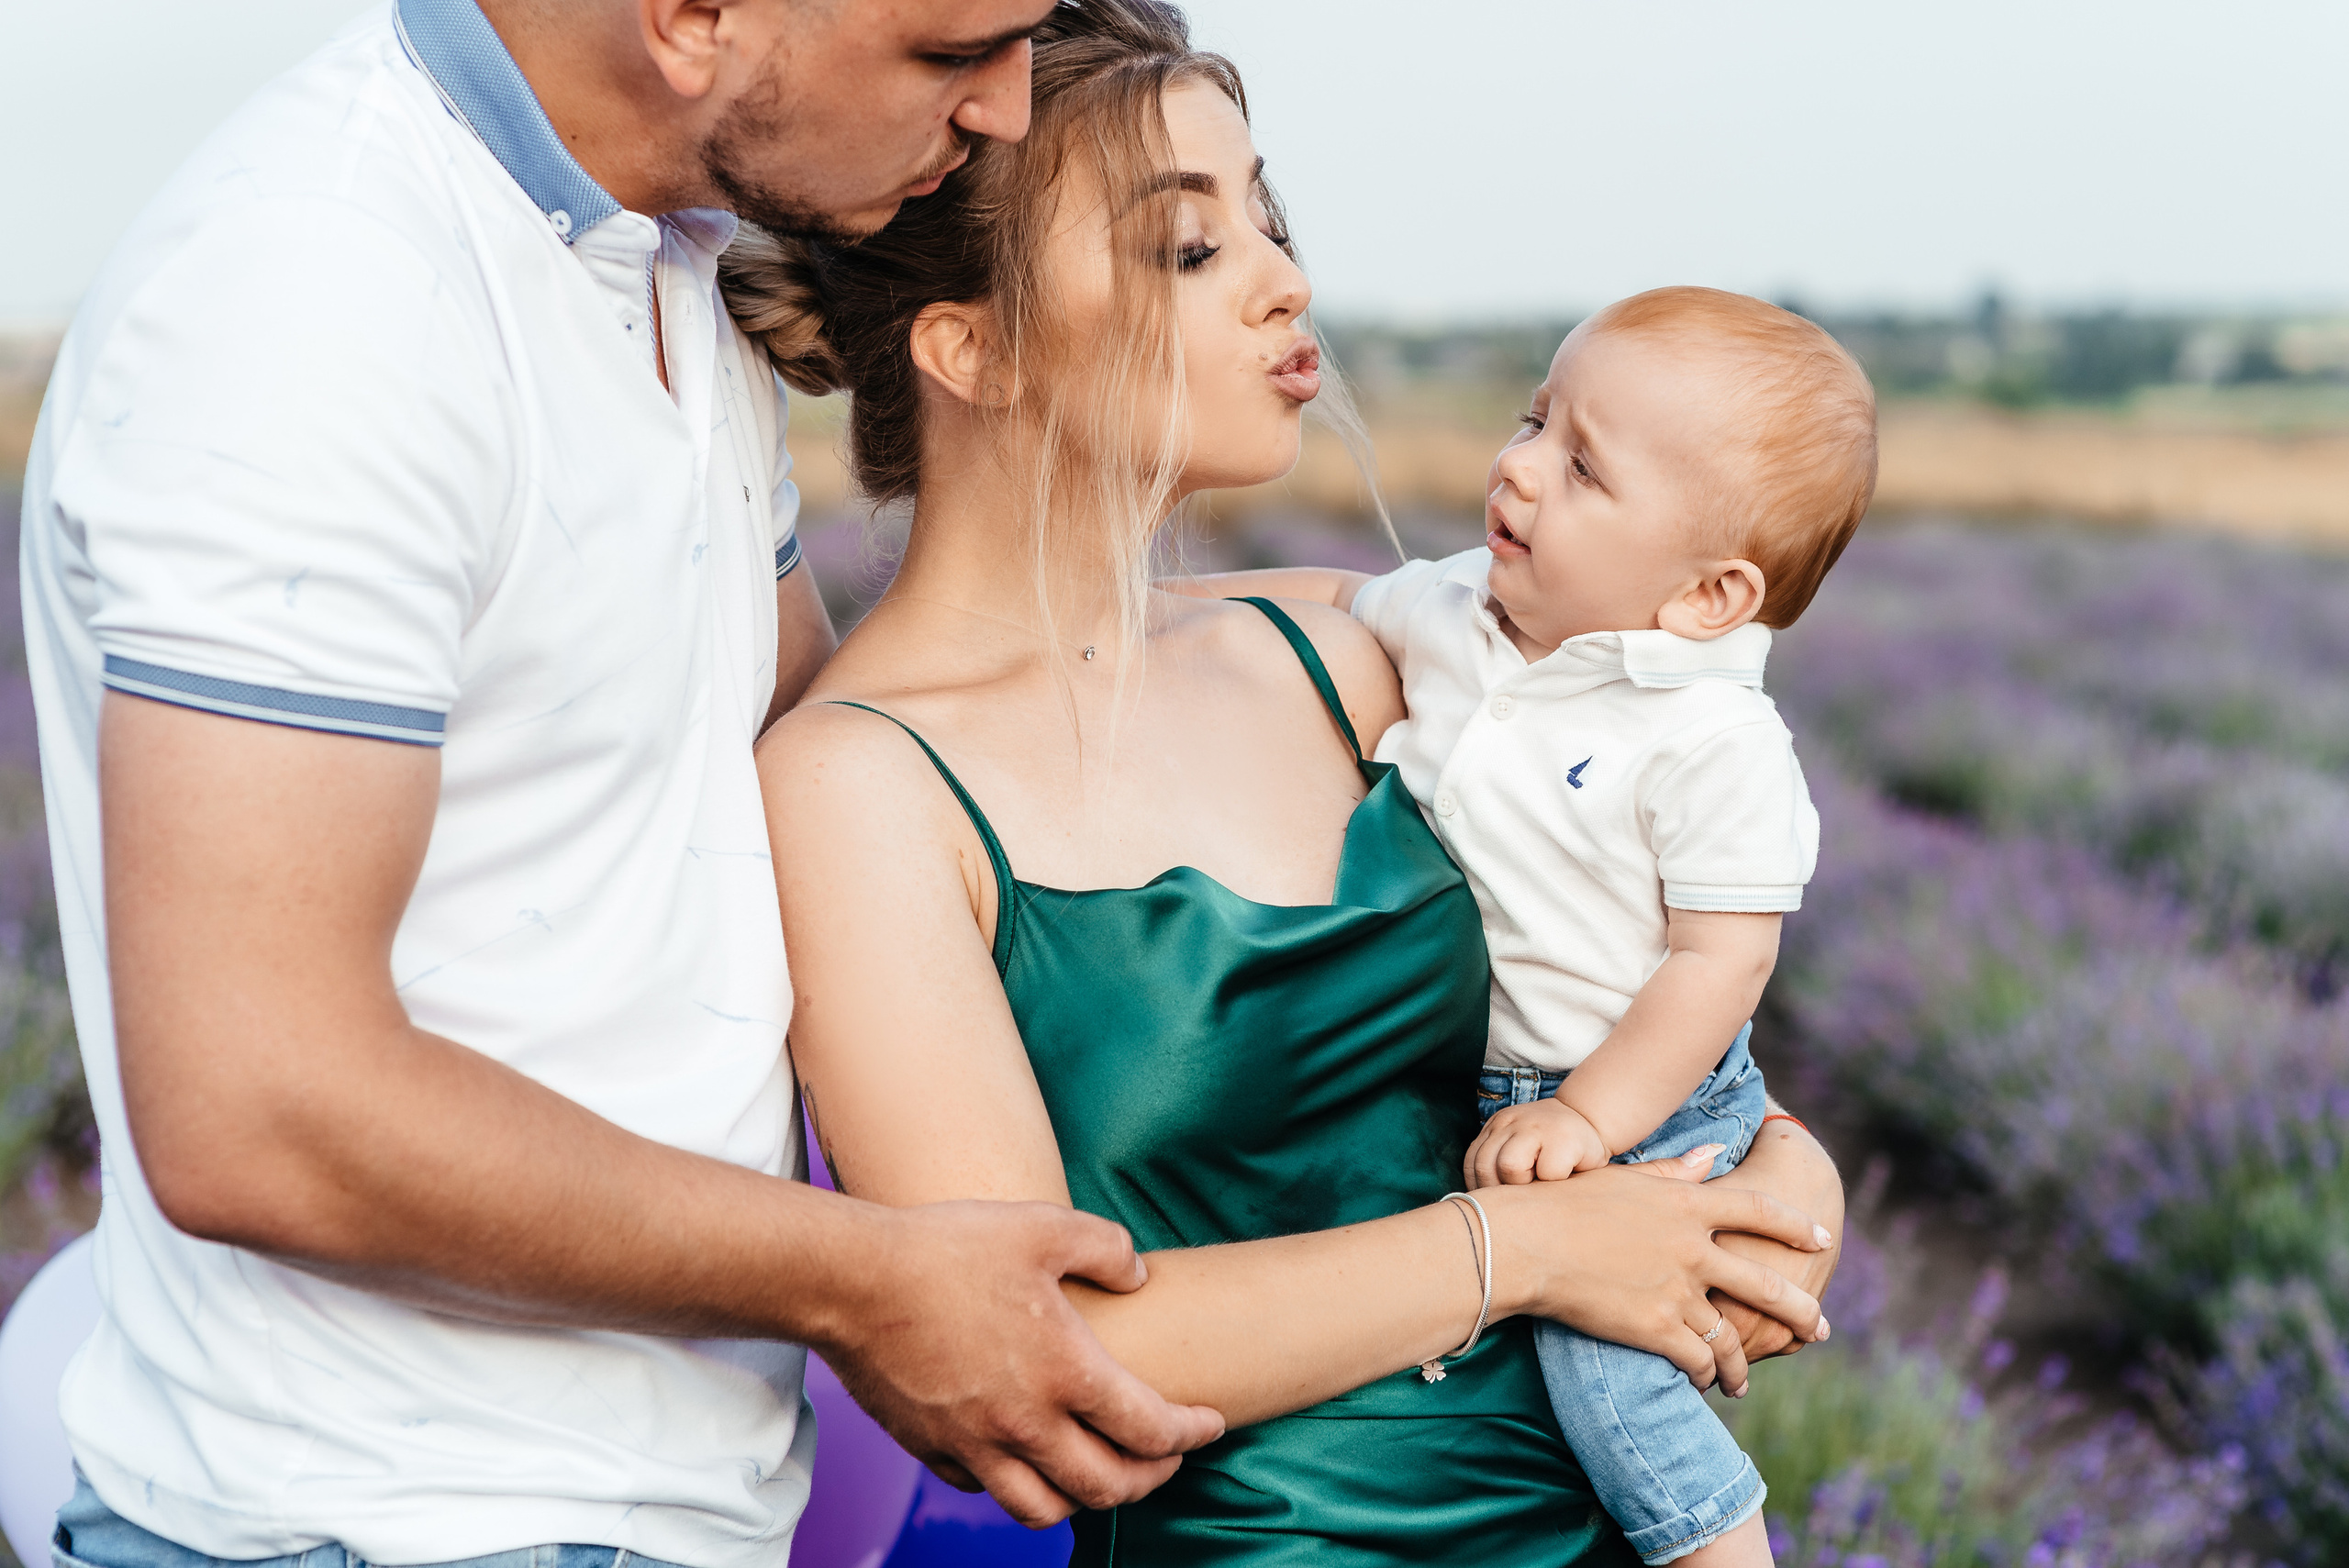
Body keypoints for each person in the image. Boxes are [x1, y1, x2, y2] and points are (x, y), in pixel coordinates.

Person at [19, 2, 1226, 1565]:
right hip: (386, 1527)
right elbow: (260, 1108)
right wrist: (871, 1282)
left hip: (649, 1511)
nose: (1007, 105)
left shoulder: (662, 257)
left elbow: (803, 759)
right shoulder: (319, 298)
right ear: (694, 19)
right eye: (951, 54)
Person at [736, 4, 1847, 1562]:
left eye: (1267, 214)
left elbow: (1626, 1004)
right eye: (1189, 249)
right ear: (968, 346)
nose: (1286, 279)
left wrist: (1777, 1167)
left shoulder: (1353, 641)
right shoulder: (857, 785)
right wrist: (1521, 1249)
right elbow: (1038, 1339)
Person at [1186, 288, 1879, 1566]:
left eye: (1582, 468)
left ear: (1709, 595)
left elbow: (1721, 961)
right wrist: (1154, 603)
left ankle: (1717, 1547)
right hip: (1495, 1084)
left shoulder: (1711, 739)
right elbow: (1337, 594)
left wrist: (1589, 1119)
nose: (1517, 466)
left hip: (1643, 1096)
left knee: (1605, 1366)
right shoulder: (1462, 613)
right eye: (1533, 419)